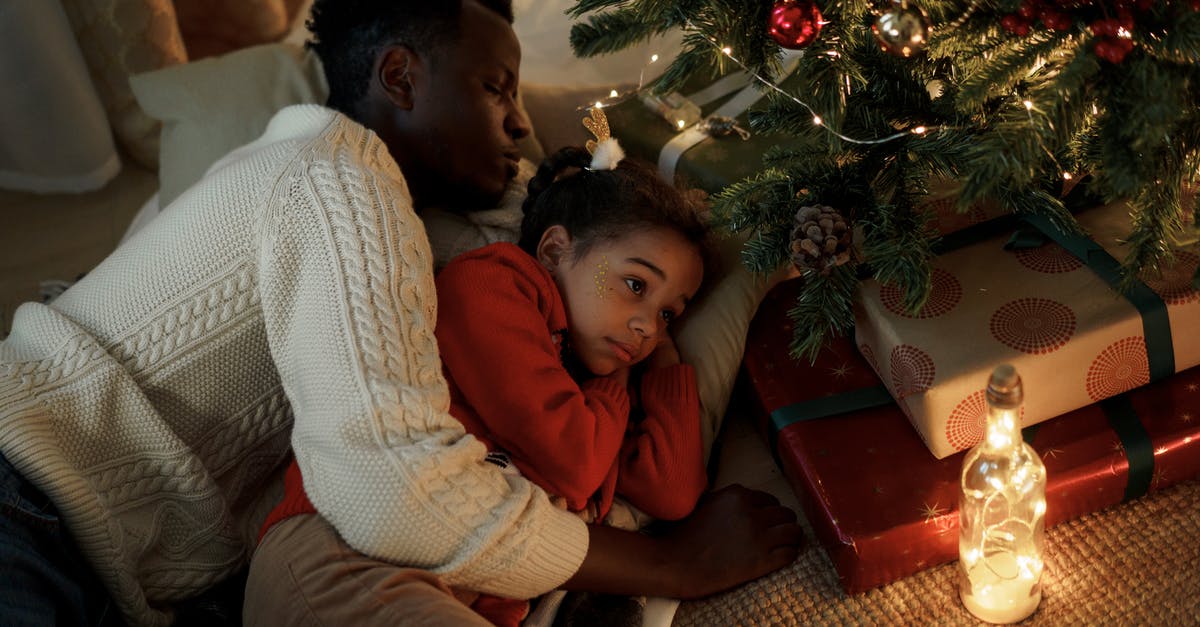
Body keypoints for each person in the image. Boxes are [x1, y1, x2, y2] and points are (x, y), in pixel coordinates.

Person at [0, 1, 803, 626]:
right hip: (28, 503)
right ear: (401, 77)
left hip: (109, 561)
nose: (521, 123)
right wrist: (672, 567)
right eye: (496, 89)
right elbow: (394, 487)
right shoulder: (338, 174)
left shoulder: (332, 192)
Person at [257, 142, 713, 625]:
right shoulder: (493, 283)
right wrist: (620, 375)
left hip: (461, 587)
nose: (648, 326)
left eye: (669, 314)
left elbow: (672, 493)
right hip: (349, 552)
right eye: (636, 285)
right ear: (556, 250)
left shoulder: (591, 387)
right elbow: (574, 461)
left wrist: (664, 365)